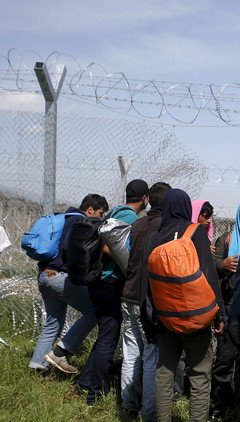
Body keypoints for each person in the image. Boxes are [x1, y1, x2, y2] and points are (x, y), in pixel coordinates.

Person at [141, 189, 226, 422]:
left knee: (164, 374)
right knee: (199, 375)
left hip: (165, 319)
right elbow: (209, 276)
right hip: (197, 319)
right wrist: (220, 314)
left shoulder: (154, 237)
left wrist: (148, 322)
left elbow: (145, 285)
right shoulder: (195, 232)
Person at [77, 179, 149, 405]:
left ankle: (86, 382)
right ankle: (95, 393)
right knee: (108, 339)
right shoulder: (129, 217)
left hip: (101, 281)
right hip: (109, 283)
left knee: (106, 336)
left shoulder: (116, 212)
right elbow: (109, 247)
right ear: (144, 198)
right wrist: (130, 267)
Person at [28, 194, 108, 374]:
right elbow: (69, 249)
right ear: (90, 210)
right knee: (96, 310)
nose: (101, 217)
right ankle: (62, 350)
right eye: (100, 213)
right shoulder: (78, 222)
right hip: (59, 276)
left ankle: (38, 367)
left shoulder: (64, 218)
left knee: (53, 324)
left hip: (45, 275)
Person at [120, 182, 171, 420]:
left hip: (128, 293)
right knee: (151, 355)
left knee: (131, 352)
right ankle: (148, 412)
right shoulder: (166, 228)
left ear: (149, 199)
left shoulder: (137, 224)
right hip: (148, 299)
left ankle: (128, 404)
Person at [209, 197, 240, 417]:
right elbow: (211, 269)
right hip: (230, 307)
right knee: (225, 360)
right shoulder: (226, 240)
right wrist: (223, 264)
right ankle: (220, 405)